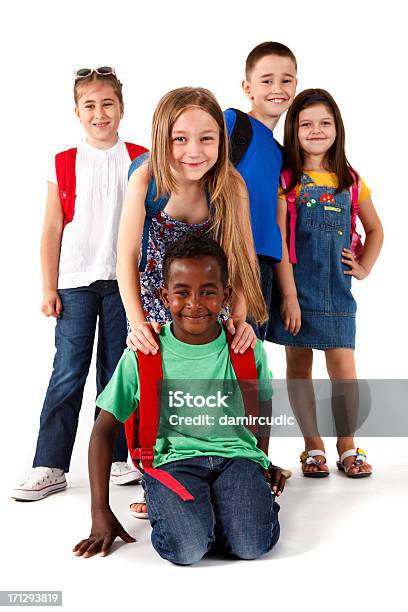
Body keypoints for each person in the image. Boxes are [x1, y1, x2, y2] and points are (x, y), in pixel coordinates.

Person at [73, 234, 284, 564]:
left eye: (208, 292)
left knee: (252, 546)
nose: (195, 304)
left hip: (237, 459)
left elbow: (265, 404)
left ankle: (218, 510)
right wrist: (100, 512)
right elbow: (103, 430)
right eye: (182, 292)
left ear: (226, 295)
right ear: (164, 295)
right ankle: (190, 509)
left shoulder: (244, 348)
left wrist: (262, 460)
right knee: (186, 551)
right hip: (173, 462)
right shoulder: (145, 354)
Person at [115, 87, 268, 516]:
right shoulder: (146, 178)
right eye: (180, 139)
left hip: (208, 294)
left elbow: (242, 254)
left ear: (221, 139)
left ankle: (228, 463)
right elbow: (125, 254)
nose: (194, 151)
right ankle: (155, 475)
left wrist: (239, 317)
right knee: (156, 387)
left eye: (206, 138)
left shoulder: (230, 185)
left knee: (208, 386)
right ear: (163, 139)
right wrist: (137, 322)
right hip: (156, 294)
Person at [11, 67, 147, 502]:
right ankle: (49, 463)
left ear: (121, 108)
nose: (100, 112)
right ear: (77, 112)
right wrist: (48, 286)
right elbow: (52, 228)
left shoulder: (142, 158)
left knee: (117, 371)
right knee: (68, 371)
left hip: (124, 283)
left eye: (108, 103)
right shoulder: (64, 161)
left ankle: (118, 456)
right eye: (90, 105)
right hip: (75, 281)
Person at [267, 89, 383, 477]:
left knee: (343, 369)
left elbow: (376, 229)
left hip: (337, 292)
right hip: (295, 291)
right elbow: (281, 242)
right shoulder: (287, 180)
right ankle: (311, 445)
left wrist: (363, 267)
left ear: (338, 128)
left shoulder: (350, 180)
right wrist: (289, 297)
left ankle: (347, 445)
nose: (316, 130)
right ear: (293, 130)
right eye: (306, 124)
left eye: (325, 123)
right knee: (298, 366)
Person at [224, 41, 297, 339]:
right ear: (247, 87)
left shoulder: (282, 154)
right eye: (266, 80)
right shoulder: (233, 123)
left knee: (249, 361)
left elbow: (277, 229)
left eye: (286, 80)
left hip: (263, 268)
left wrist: (289, 295)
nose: (277, 88)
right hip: (227, 258)